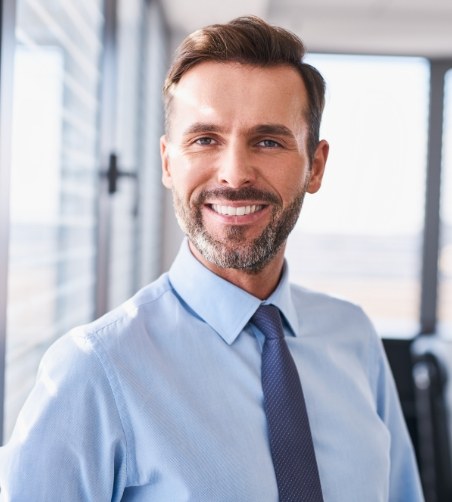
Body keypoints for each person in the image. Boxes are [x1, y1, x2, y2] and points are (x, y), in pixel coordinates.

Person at [0, 15, 423, 501]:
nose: (234, 173)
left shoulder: (354, 339)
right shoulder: (94, 371)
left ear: (316, 165)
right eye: (205, 139)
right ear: (167, 162)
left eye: (268, 140)